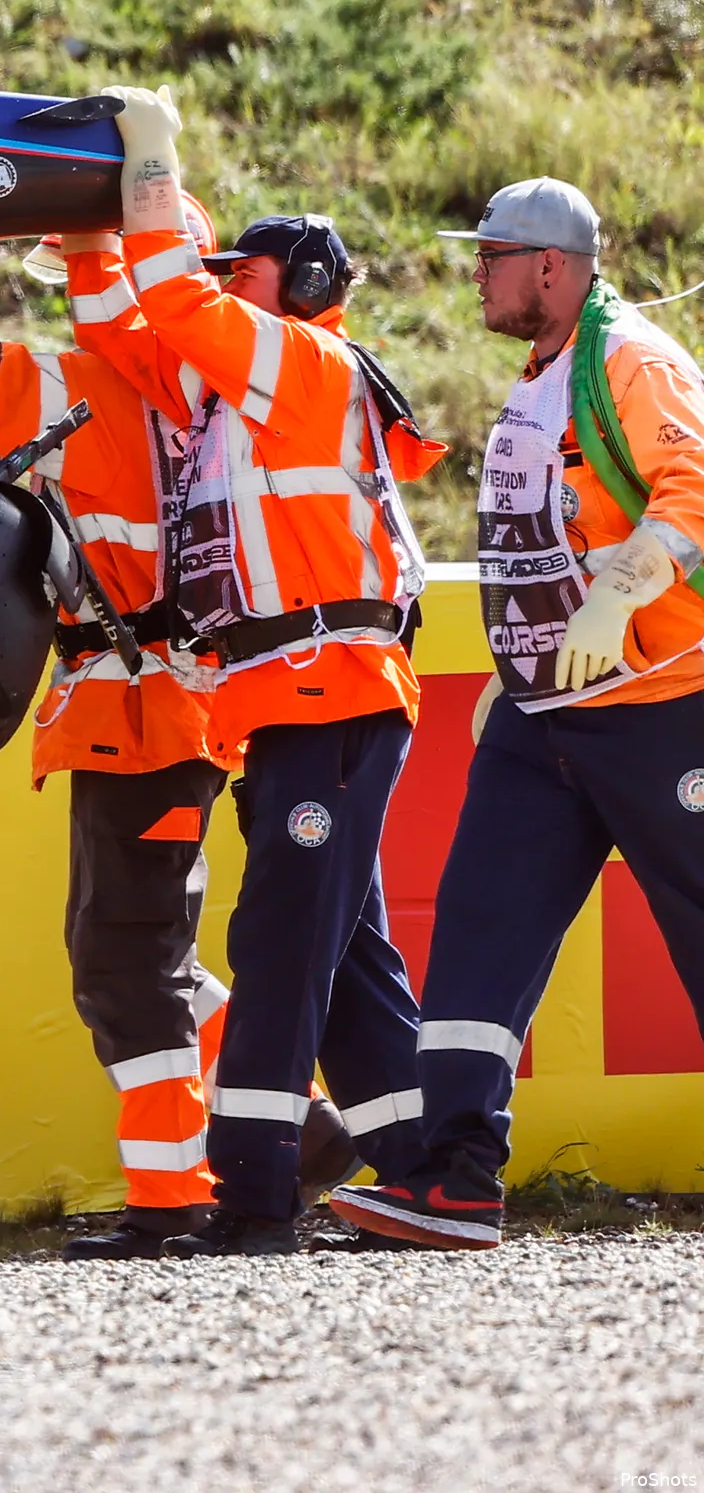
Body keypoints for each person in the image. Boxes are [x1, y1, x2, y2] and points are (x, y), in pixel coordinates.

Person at [92, 88, 446, 1254]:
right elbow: (132, 333)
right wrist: (84, 234)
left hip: (326, 694)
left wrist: (152, 159)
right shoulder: (248, 392)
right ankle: (432, 1171)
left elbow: (173, 300)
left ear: (295, 291)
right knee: (348, 961)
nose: (224, 284)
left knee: (284, 946)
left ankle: (250, 1195)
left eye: (245, 272)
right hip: (299, 701)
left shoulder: (299, 363)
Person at [331, 179, 704, 1250]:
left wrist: (618, 594)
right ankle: (455, 1178)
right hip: (545, 714)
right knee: (481, 933)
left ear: (553, 266)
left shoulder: (630, 359)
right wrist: (527, 655)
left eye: (492, 255)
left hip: (665, 705)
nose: (477, 273)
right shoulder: (544, 377)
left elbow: (695, 485)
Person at [0, 210, 251, 1256]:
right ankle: (302, 1126)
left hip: (138, 712)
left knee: (125, 965)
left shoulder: (85, 388)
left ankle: (172, 1197)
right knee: (160, 956)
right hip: (172, 711)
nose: (72, 292)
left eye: (81, 272)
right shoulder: (207, 397)